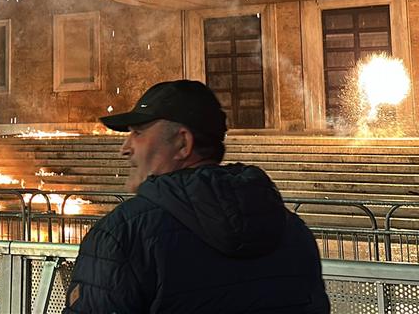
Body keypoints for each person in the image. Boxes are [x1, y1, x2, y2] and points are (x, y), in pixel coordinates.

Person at [63, 80, 331, 314]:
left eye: (139, 133)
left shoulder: (124, 236)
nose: (125, 148)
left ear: (183, 143)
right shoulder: (292, 231)